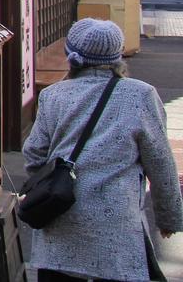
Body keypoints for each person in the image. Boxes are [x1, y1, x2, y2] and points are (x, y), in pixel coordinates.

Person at [23, 19, 181, 282]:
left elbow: (34, 155)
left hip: (59, 216)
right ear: (117, 56)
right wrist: (169, 218)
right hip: (117, 229)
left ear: (71, 56)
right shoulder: (141, 95)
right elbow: (161, 163)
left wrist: (48, 180)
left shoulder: (53, 96)